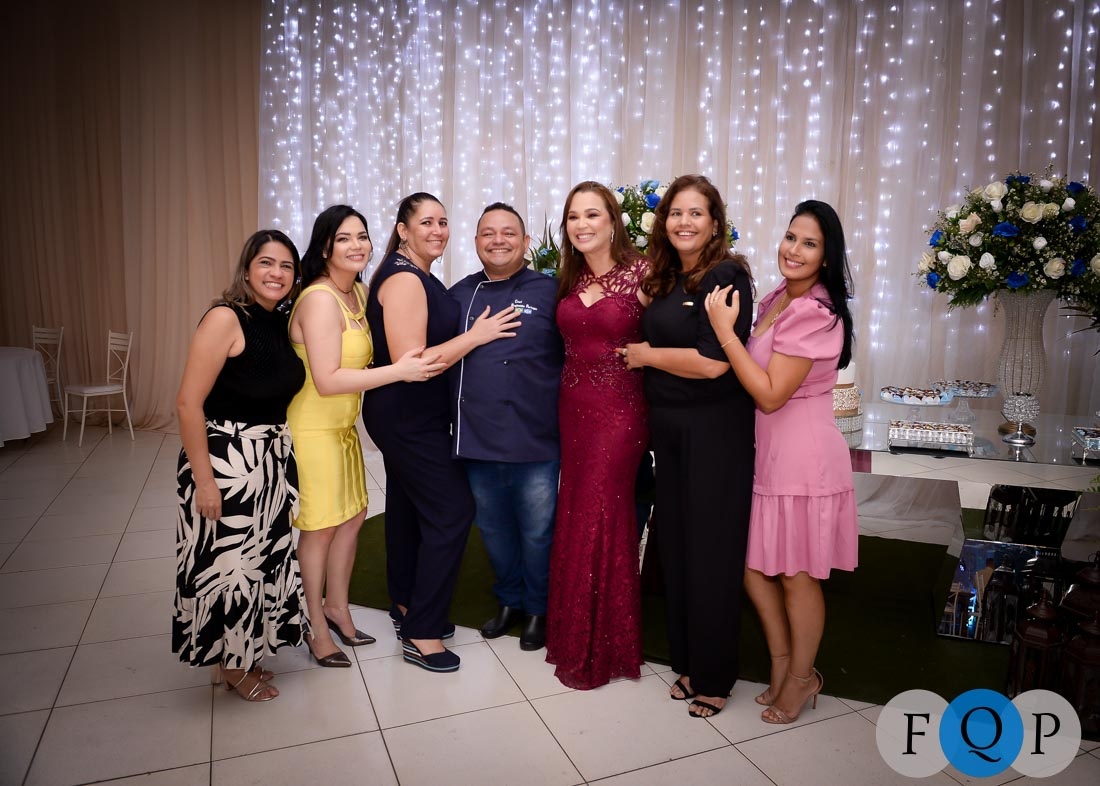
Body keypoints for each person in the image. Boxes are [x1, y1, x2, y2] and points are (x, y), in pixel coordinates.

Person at [704, 199, 858, 724]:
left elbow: (770, 395)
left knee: (796, 575)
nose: (794, 249)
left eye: (809, 243)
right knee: (753, 569)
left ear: (827, 257)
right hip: (767, 456)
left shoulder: (815, 312)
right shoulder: (778, 297)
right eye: (791, 236)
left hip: (802, 459)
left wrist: (725, 333)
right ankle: (781, 663)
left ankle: (801, 678)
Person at [363, 192, 521, 672]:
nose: (437, 230)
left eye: (444, 222)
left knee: (408, 510)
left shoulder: (420, 274)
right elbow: (414, 363)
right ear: (403, 230)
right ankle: (423, 631)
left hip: (412, 413)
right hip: (406, 414)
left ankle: (406, 602)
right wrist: (476, 336)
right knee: (453, 512)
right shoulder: (406, 280)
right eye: (426, 222)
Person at [288, 204, 446, 668]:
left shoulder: (357, 292)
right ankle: (315, 626)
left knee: (353, 518)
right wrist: (399, 371)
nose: (357, 245)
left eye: (362, 236)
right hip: (313, 426)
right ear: (324, 247)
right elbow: (327, 380)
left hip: (344, 427)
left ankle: (338, 608)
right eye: (344, 238)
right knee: (320, 528)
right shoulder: (319, 299)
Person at [621, 174, 755, 719]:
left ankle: (716, 676)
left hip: (714, 430)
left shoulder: (726, 276)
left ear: (715, 224)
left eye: (696, 213)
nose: (684, 221)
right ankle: (688, 662)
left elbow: (713, 363)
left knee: (711, 554)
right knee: (675, 547)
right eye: (676, 212)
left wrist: (645, 355)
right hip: (670, 429)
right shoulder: (667, 277)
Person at [174, 230, 308, 702]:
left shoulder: (278, 322)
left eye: (286, 266)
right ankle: (231, 668)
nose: (277, 273)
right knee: (229, 567)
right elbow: (188, 404)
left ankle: (241, 655)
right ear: (247, 270)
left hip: (267, 460)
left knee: (257, 565)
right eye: (266, 263)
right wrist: (205, 482)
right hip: (225, 461)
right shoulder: (224, 318)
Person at [545, 181, 650, 689]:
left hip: (620, 413)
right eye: (573, 216)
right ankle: (573, 632)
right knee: (575, 507)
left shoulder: (644, 273)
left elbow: (667, 337)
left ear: (613, 221)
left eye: (592, 214)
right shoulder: (569, 276)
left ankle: (606, 644)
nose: (581, 224)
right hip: (573, 411)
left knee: (603, 512)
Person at [450, 203, 564, 651]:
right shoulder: (459, 295)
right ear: (476, 241)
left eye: (509, 232)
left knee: (537, 530)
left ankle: (538, 607)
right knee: (494, 530)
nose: (498, 240)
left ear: (526, 241)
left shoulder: (551, 291)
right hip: (478, 436)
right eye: (488, 233)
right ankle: (509, 599)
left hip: (535, 436)